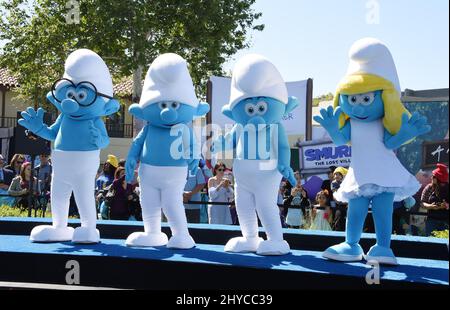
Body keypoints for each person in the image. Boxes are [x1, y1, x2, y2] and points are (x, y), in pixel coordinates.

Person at [421, 163, 449, 236]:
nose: (431, 178)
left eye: (433, 177)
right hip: (431, 220)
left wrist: (446, 205)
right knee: (430, 241)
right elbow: (422, 203)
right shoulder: (429, 188)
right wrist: (431, 206)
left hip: (446, 221)